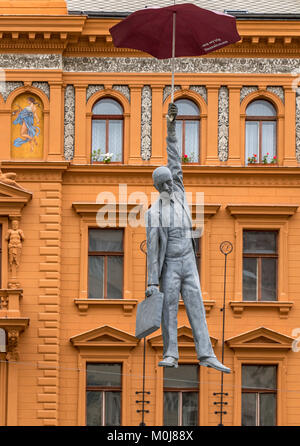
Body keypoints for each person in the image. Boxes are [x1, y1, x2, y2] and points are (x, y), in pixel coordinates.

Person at [145, 102, 230, 373]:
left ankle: (206, 354)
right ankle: (171, 353)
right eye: (166, 183)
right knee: (168, 309)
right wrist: (151, 282)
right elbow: (154, 249)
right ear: (158, 187)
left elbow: (174, 158)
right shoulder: (154, 212)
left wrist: (171, 127)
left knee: (197, 307)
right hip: (170, 265)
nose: (171, 185)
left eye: (172, 181)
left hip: (188, 262)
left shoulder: (180, 193)